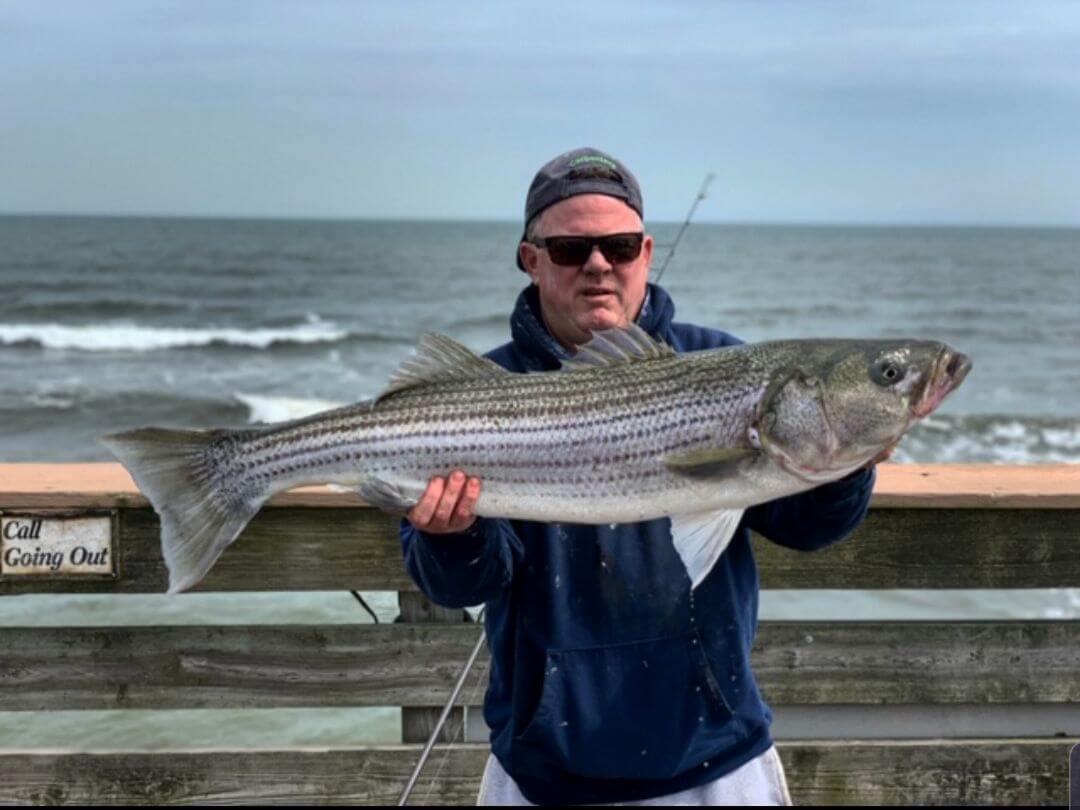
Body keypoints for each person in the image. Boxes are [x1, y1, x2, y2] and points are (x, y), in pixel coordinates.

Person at [400, 147, 878, 806]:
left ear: (647, 253)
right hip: (544, 772)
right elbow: (461, 582)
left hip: (717, 761)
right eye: (570, 250)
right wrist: (451, 535)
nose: (599, 265)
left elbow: (807, 528)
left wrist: (845, 461)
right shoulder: (480, 393)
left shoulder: (725, 365)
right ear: (530, 259)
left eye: (620, 246)